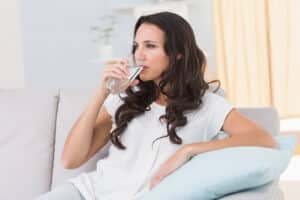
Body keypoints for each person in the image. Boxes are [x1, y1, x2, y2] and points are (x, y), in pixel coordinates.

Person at [36, 11, 276, 200]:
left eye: (150, 46)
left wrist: (189, 150)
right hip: (86, 194)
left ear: (178, 53)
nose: (139, 55)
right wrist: (101, 93)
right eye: (136, 46)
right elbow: (70, 160)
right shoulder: (124, 97)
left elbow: (264, 139)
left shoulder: (208, 105)